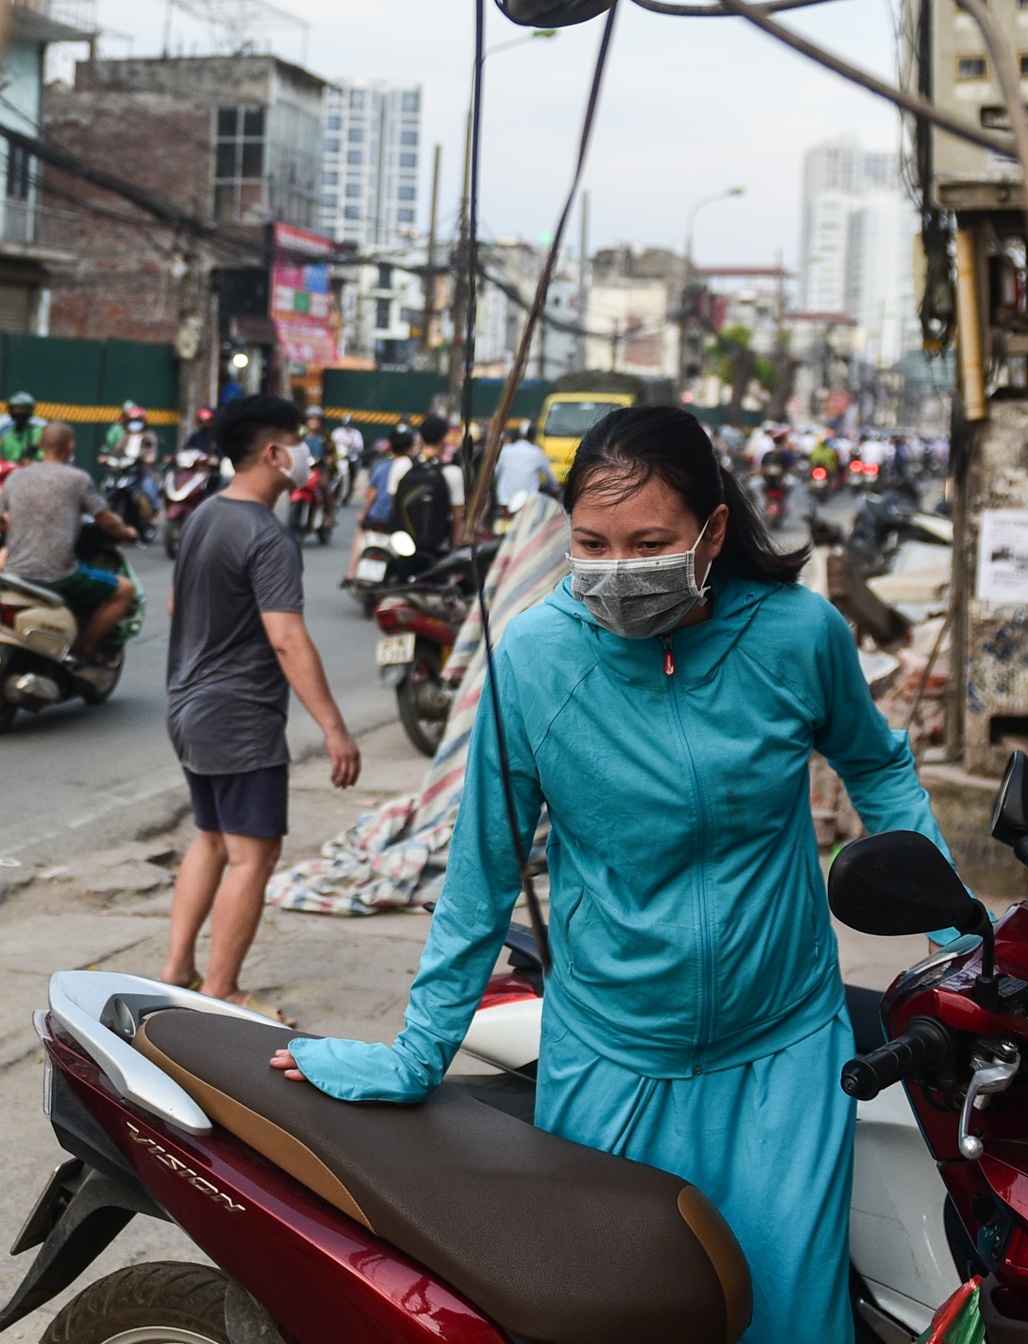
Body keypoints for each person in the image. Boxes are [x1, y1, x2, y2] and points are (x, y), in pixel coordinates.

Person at [270, 405, 956, 1343]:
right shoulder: (538, 658)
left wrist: (955, 929)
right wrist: (414, 1055)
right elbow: (481, 867)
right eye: (591, 543)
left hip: (788, 1057)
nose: (620, 570)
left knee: (790, 1322)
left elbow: (877, 763)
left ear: (712, 534)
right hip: (613, 1062)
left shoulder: (800, 635)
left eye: (651, 542)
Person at [161, 395, 361, 1010]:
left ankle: (176, 972)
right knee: (254, 854)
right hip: (238, 716)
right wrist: (335, 728)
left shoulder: (204, 515)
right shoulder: (267, 536)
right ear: (275, 454)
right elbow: (286, 637)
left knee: (213, 839)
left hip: (188, 707)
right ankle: (222, 990)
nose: (309, 454)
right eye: (299, 442)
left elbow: (176, 606)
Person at [0, 420, 138, 660]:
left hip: (15, 573)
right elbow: (107, 522)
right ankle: (85, 648)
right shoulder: (78, 479)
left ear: (40, 444)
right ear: (71, 446)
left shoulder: (15, 478)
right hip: (60, 575)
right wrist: (127, 533)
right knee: (126, 590)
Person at [344, 424, 416, 581]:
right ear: (411, 446)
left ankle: (351, 572)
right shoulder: (413, 468)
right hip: (401, 522)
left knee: (360, 533)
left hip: (378, 518)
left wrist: (363, 515)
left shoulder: (381, 466)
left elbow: (371, 495)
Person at [393, 413, 463, 558]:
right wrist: (456, 550)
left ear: (420, 437)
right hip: (437, 547)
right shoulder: (452, 473)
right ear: (444, 438)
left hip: (402, 544)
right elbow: (457, 519)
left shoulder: (401, 465)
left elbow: (395, 504)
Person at [493, 420, 558, 511]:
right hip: (528, 504)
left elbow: (496, 474)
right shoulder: (536, 452)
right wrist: (555, 488)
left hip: (504, 501)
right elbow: (550, 477)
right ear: (533, 436)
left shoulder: (505, 451)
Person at [0, 390, 45, 463]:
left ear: (30, 410)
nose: (19, 412)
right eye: (16, 409)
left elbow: (45, 457)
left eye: (23, 409)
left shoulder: (39, 432)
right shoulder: (6, 434)